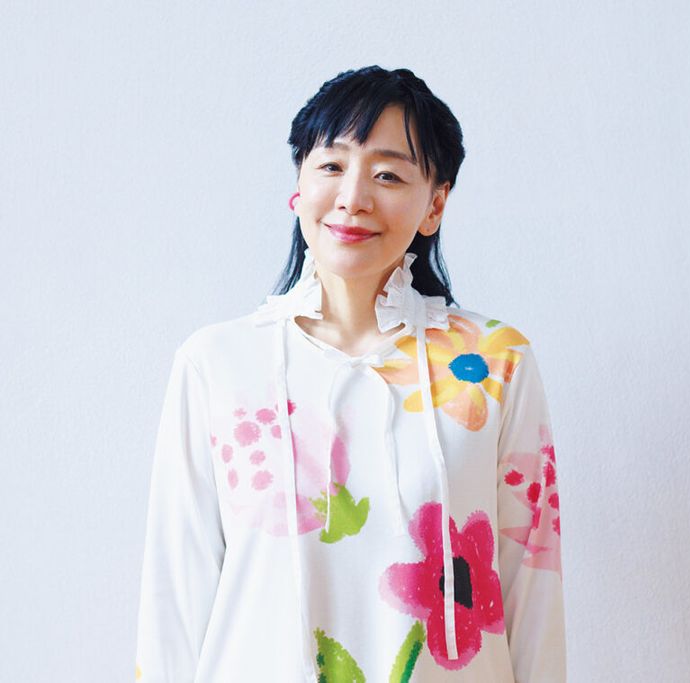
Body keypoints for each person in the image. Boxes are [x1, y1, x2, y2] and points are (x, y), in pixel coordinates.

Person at [134, 65, 567, 682]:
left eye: (388, 174)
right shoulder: (217, 364)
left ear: (435, 204)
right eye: (332, 165)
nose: (353, 197)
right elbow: (175, 600)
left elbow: (534, 595)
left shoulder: (495, 363)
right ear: (299, 185)